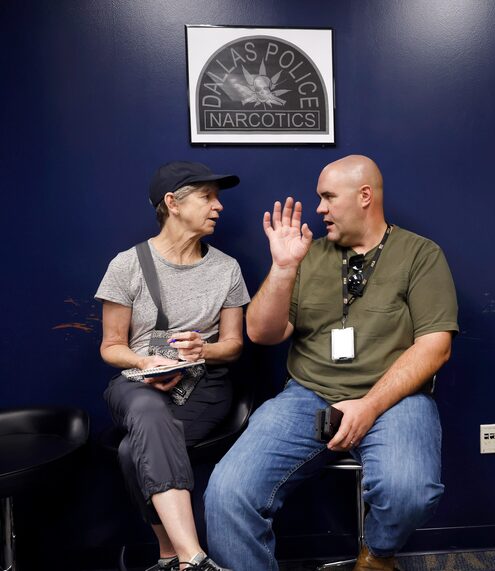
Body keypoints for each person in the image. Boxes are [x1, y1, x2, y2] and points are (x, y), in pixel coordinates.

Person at [204, 155, 458, 570]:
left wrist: (369, 406)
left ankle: (377, 556)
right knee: (227, 494)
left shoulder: (420, 254)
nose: (318, 208)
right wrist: (284, 268)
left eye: (327, 197)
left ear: (363, 196)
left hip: (396, 399)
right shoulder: (308, 254)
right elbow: (262, 334)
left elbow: (435, 347)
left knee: (409, 490)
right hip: (309, 394)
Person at [96, 161, 250, 571]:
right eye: (207, 196)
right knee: (147, 410)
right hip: (138, 384)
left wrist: (204, 349)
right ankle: (194, 558)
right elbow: (111, 347)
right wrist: (146, 360)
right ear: (173, 203)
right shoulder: (126, 265)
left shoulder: (226, 269)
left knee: (132, 450)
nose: (218, 206)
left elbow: (234, 346)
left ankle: (170, 556)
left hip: (205, 387)